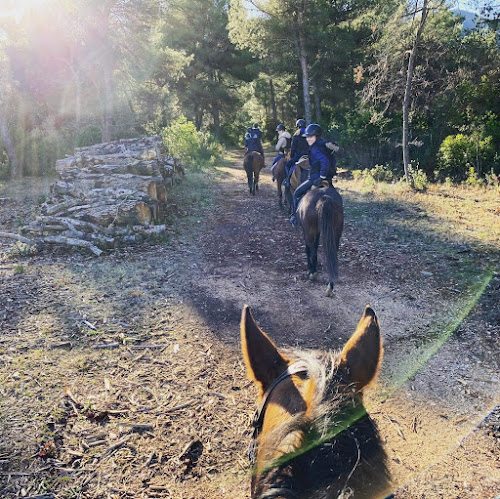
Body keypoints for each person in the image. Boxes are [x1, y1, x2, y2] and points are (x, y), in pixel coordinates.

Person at [289, 123, 338, 227]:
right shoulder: (325, 145)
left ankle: (295, 218)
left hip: (316, 178)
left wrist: (321, 177)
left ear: (317, 136)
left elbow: (325, 162)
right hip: (329, 180)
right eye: (307, 137)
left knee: (296, 194)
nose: (308, 139)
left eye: (310, 136)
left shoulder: (315, 148)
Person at [283, 119, 309, 186]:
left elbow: (293, 147)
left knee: (287, 165)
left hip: (299, 155)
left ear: (297, 126)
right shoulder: (309, 132)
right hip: (310, 155)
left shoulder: (296, 134)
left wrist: (292, 156)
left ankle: (287, 180)